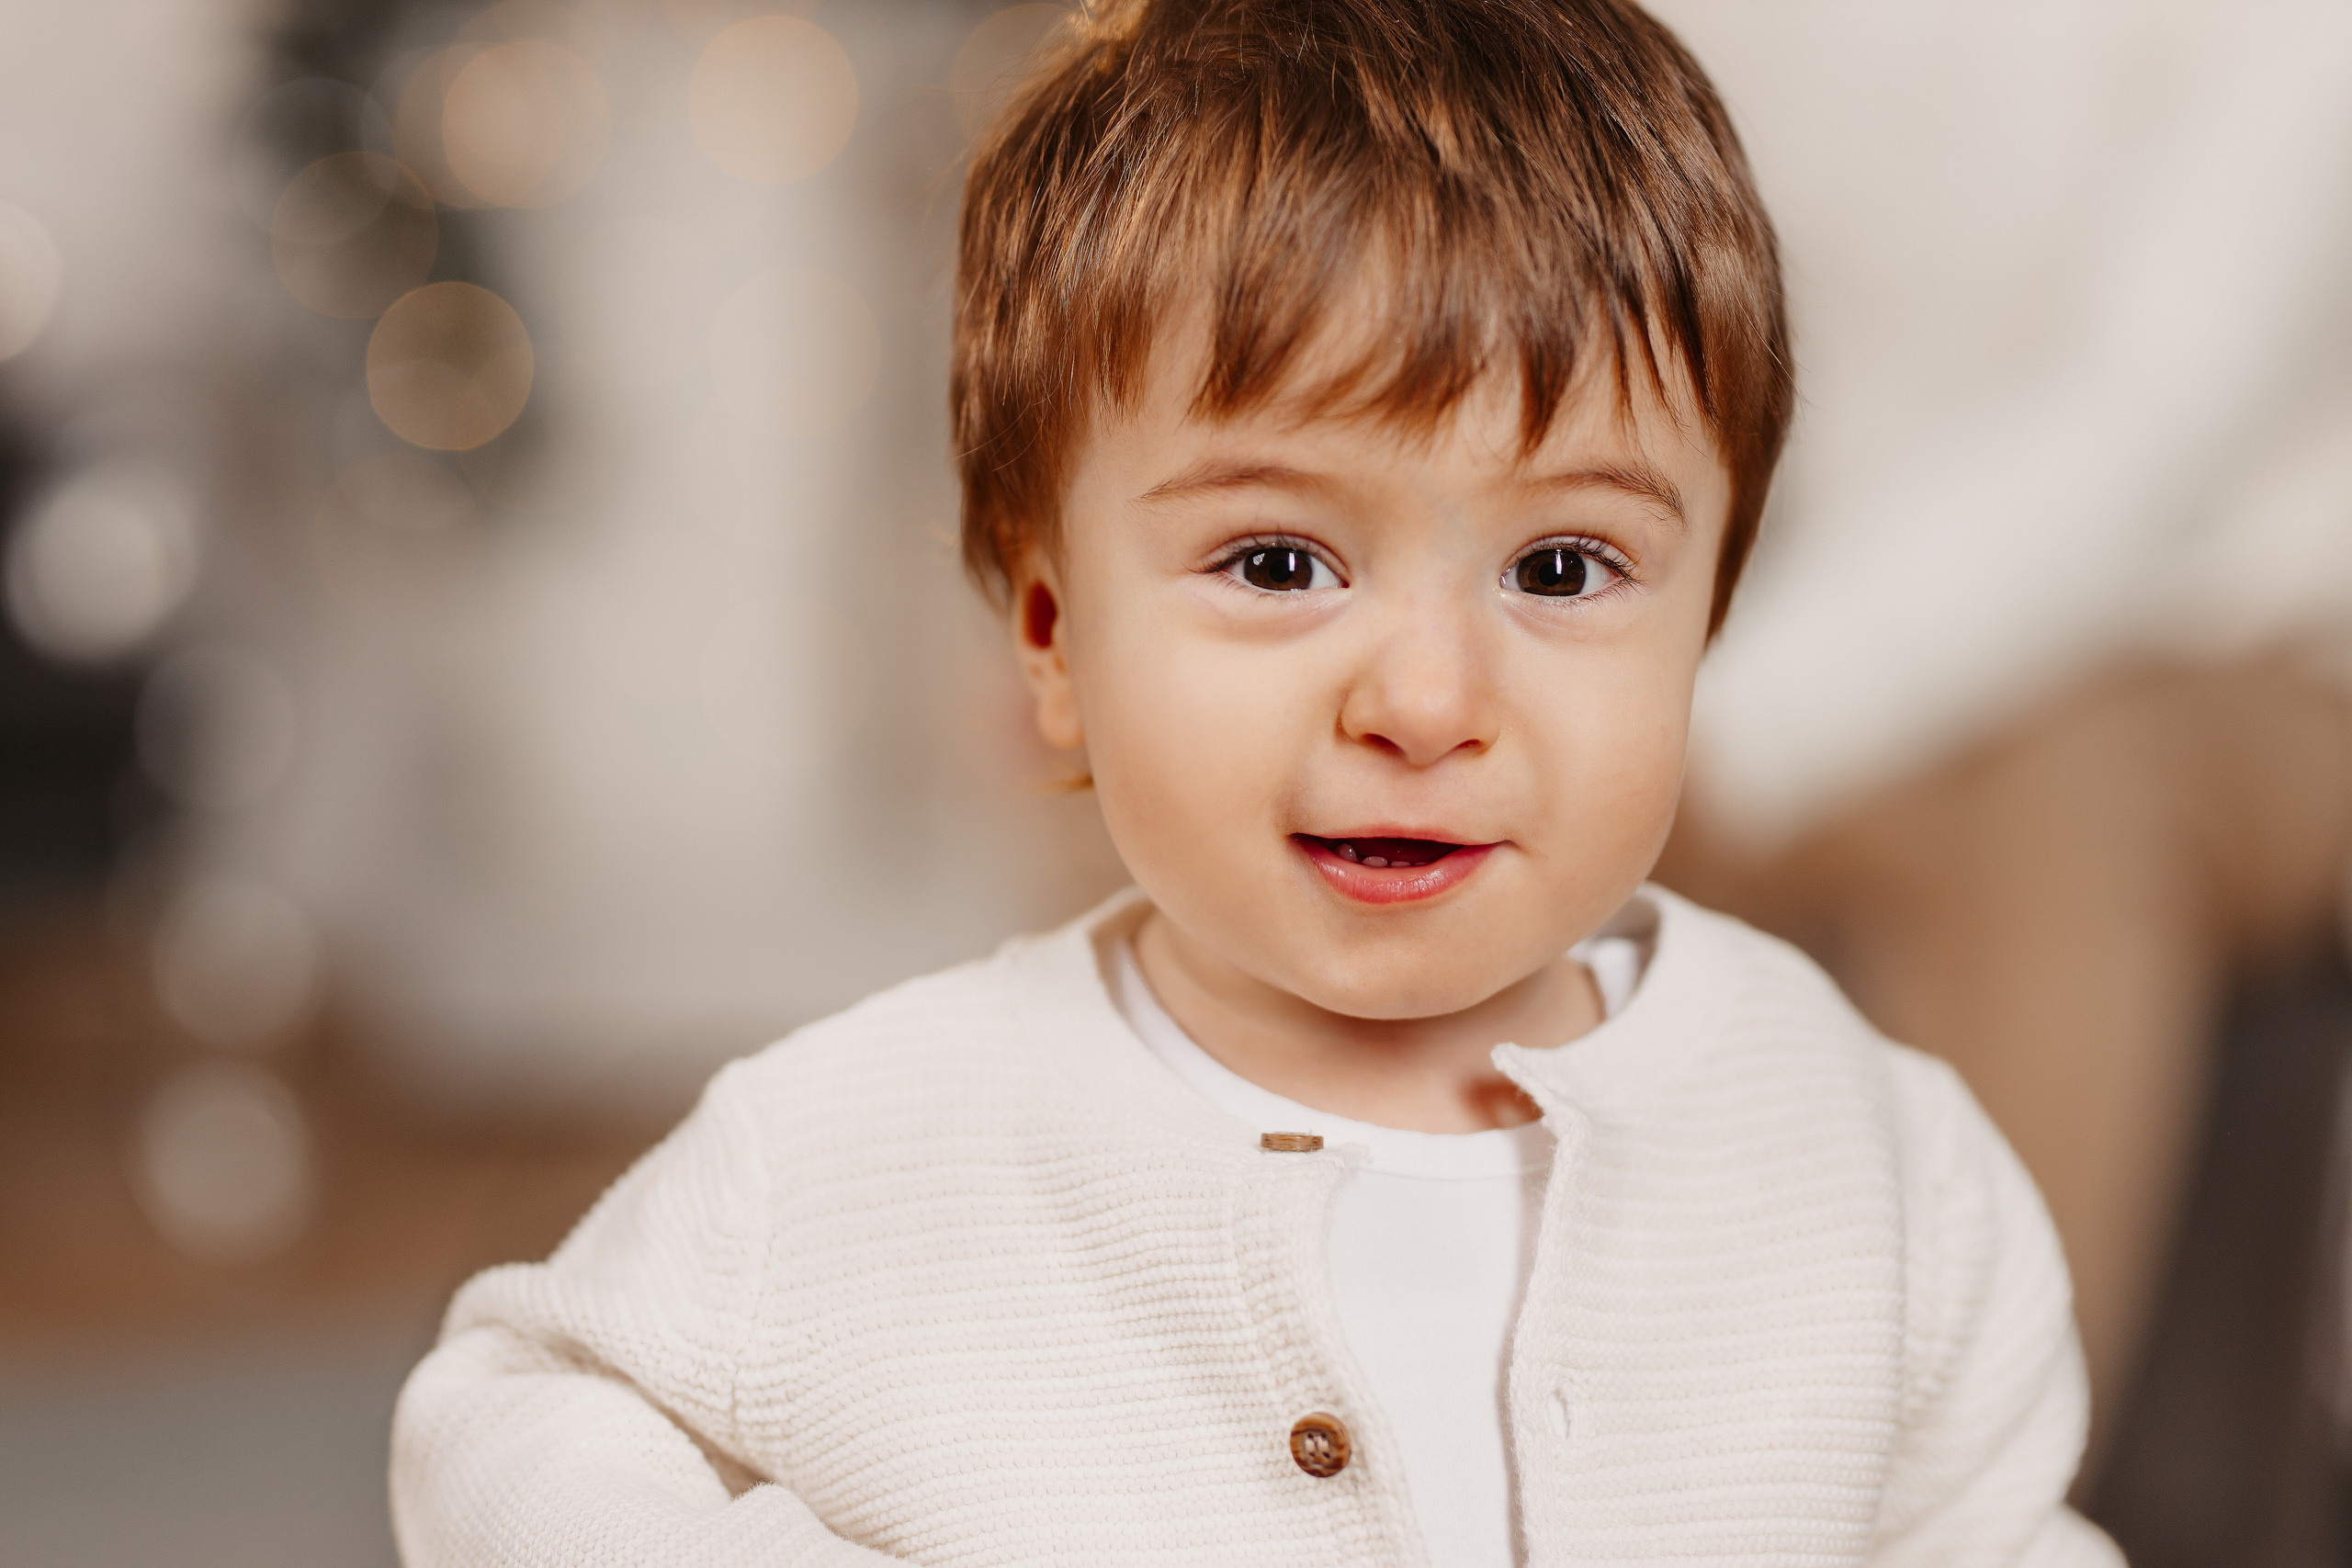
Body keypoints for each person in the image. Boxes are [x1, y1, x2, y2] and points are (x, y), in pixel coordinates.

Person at [389, 0, 2121, 1561]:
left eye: (1568, 571)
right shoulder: (868, 1145)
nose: (1428, 701)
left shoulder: (1870, 1153)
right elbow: (511, 1432)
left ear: (1711, 615)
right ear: (1053, 638)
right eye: (1281, 564)